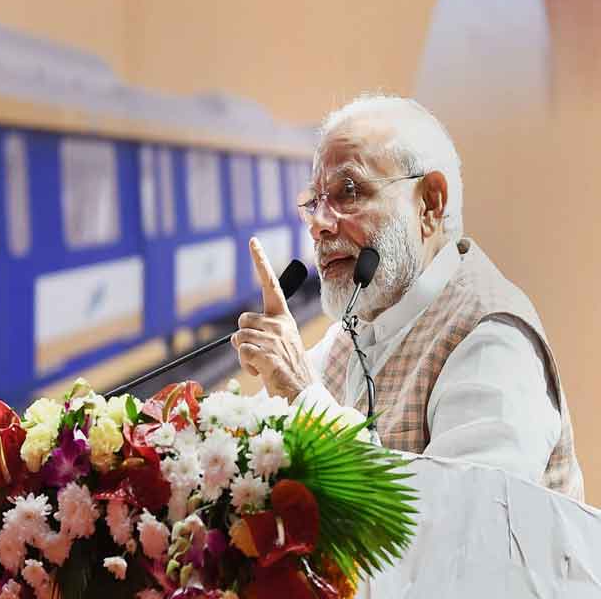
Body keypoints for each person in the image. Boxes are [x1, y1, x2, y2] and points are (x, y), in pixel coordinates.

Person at [232, 94, 583, 500]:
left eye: (349, 192)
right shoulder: (358, 330)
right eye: (315, 202)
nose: (320, 226)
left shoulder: (494, 340)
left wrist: (300, 394)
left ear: (430, 204)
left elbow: (453, 525)